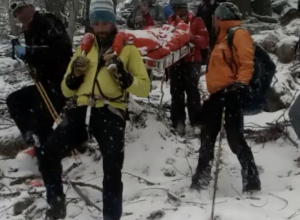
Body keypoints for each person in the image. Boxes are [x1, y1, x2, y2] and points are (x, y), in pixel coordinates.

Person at [38, 0, 150, 219]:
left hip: (110, 112)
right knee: (48, 152)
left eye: (104, 23)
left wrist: (123, 76)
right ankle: (56, 205)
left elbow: (145, 88)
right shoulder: (84, 48)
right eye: (95, 23)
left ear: (112, 22)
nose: (99, 28)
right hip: (79, 112)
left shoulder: (127, 50)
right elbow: (65, 90)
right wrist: (74, 77)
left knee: (112, 169)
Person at [191, 2, 261, 193]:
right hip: (216, 96)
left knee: (235, 139)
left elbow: (247, 63)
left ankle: (252, 182)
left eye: (214, 18)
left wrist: (239, 85)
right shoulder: (221, 38)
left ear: (219, 18)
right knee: (207, 138)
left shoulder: (238, 34)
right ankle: (200, 180)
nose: (212, 21)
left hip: (231, 94)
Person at [6, 1, 73, 156]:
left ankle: (50, 155)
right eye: (16, 14)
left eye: (21, 10)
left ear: (31, 7)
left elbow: (61, 52)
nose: (19, 16)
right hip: (43, 83)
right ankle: (33, 138)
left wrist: (29, 51)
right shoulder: (28, 31)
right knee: (14, 101)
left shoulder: (48, 21)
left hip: (61, 83)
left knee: (42, 119)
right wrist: (22, 54)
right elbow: (38, 59)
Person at [168, 0, 209, 136]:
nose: (176, 12)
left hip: (192, 62)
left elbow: (205, 41)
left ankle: (196, 122)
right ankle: (178, 122)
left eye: (178, 8)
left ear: (184, 9)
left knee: (192, 93)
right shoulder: (171, 20)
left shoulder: (197, 21)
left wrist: (192, 38)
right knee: (176, 93)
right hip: (175, 62)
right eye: (174, 9)